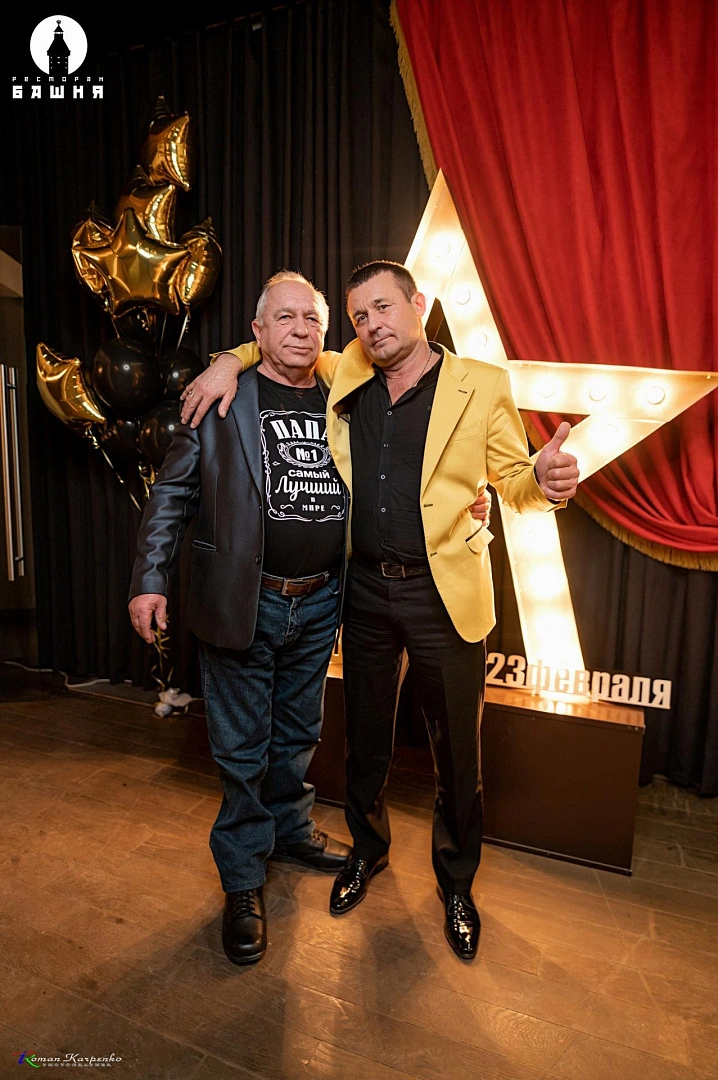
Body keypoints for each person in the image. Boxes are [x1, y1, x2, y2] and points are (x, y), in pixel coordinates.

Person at [181, 260, 578, 960]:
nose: (372, 326)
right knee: (365, 741)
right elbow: (279, 340)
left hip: (443, 593)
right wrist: (225, 363)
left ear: (418, 305)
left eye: (384, 308)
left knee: (458, 752)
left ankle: (457, 884)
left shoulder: (481, 384)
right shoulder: (348, 371)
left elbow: (514, 480)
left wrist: (542, 482)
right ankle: (367, 851)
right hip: (362, 590)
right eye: (360, 316)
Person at [128, 272, 353, 967]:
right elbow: (171, 495)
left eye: (311, 318)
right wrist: (149, 580)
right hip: (241, 599)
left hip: (321, 599)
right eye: (284, 318)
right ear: (256, 332)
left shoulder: (347, 397)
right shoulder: (221, 397)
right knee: (242, 749)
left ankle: (289, 830)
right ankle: (243, 878)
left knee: (298, 732)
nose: (300, 329)